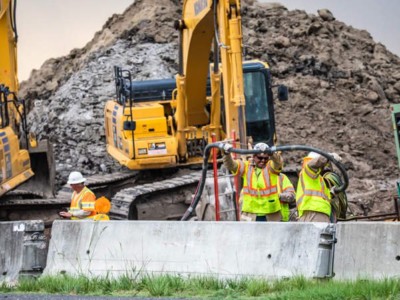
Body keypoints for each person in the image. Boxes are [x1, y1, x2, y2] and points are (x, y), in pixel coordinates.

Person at [222, 142, 295, 222]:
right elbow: (231, 165)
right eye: (260, 158)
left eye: (266, 158)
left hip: (270, 214)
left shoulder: (271, 168)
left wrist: (272, 153)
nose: (263, 161)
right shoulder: (246, 167)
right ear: (254, 156)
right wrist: (226, 154)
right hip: (251, 213)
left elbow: (278, 162)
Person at [296, 152, 341, 222]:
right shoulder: (307, 172)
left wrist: (333, 192)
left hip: (320, 213)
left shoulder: (319, 179)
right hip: (313, 212)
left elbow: (324, 197)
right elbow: (314, 164)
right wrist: (330, 156)